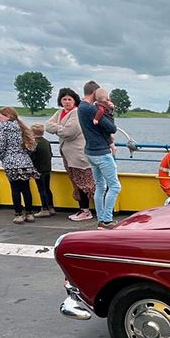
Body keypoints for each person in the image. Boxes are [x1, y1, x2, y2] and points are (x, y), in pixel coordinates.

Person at [46, 88, 95, 222]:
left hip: (78, 154)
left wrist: (57, 129)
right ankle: (83, 209)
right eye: (64, 99)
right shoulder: (59, 112)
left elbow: (69, 133)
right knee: (75, 182)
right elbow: (47, 126)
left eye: (69, 99)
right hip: (67, 154)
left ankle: (86, 211)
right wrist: (60, 129)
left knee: (84, 183)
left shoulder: (76, 113)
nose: (67, 102)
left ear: (75, 101)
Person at [78, 81, 120, 230]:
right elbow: (111, 128)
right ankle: (107, 220)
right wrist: (111, 110)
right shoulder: (91, 109)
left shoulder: (81, 107)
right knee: (115, 186)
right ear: (95, 92)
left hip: (90, 151)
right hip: (101, 153)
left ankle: (101, 219)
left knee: (100, 186)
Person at [0, 107, 39, 224]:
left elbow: (1, 145)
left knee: (15, 189)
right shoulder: (21, 126)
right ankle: (29, 213)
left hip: (11, 162)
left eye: (0, 116)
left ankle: (18, 214)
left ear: (7, 116)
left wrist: (1, 157)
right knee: (26, 188)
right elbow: (31, 145)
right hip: (25, 162)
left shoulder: (3, 127)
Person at [30, 123, 54, 217]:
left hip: (38, 169)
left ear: (32, 132)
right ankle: (51, 207)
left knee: (41, 189)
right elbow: (50, 154)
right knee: (47, 188)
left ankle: (45, 209)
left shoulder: (34, 143)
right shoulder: (46, 142)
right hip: (47, 168)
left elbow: (32, 156)